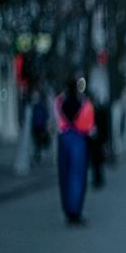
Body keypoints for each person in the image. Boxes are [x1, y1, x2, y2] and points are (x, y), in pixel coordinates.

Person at [54, 76, 95, 226]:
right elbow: (89, 125)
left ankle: (68, 210)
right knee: (77, 176)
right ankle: (75, 210)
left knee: (65, 176)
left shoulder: (59, 102)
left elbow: (55, 122)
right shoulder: (84, 103)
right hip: (79, 140)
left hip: (64, 139)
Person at [30, 90, 50, 165]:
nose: (35, 97)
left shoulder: (41, 105)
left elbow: (45, 115)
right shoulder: (34, 106)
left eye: (36, 95)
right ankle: (37, 153)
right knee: (36, 141)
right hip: (35, 126)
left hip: (41, 126)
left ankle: (38, 153)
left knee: (39, 141)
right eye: (34, 96)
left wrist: (46, 125)